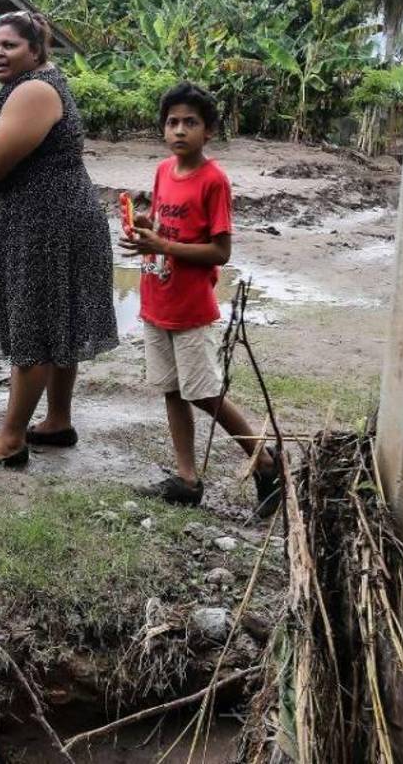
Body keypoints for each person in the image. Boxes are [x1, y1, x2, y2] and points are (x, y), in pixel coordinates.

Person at [0, 11, 118, 468]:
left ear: (36, 50)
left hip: (45, 226)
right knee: (56, 322)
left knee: (35, 328)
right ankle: (57, 421)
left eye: (9, 45)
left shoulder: (36, 90)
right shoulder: (31, 85)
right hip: (47, 220)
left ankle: (10, 440)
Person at [119, 81, 280, 517]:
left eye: (191, 122)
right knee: (172, 390)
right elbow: (167, 227)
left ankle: (264, 460)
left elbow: (220, 251)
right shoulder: (163, 172)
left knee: (204, 393)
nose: (179, 130)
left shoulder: (214, 181)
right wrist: (146, 226)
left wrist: (165, 246)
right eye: (172, 122)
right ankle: (187, 479)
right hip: (157, 298)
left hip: (192, 308)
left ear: (208, 131)